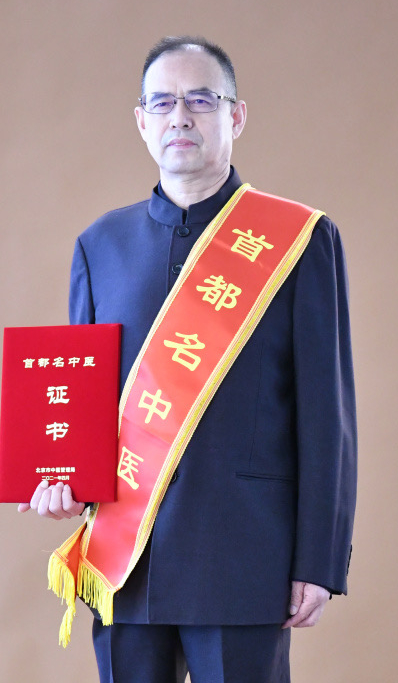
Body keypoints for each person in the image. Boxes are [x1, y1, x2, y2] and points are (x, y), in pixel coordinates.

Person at [18, 36, 356, 683]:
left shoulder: (299, 240)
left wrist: (318, 560)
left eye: (201, 100)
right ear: (141, 121)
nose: (181, 117)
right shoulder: (100, 245)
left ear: (236, 116)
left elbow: (326, 414)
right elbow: (79, 397)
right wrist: (62, 478)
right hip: (126, 558)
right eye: (163, 103)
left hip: (245, 554)